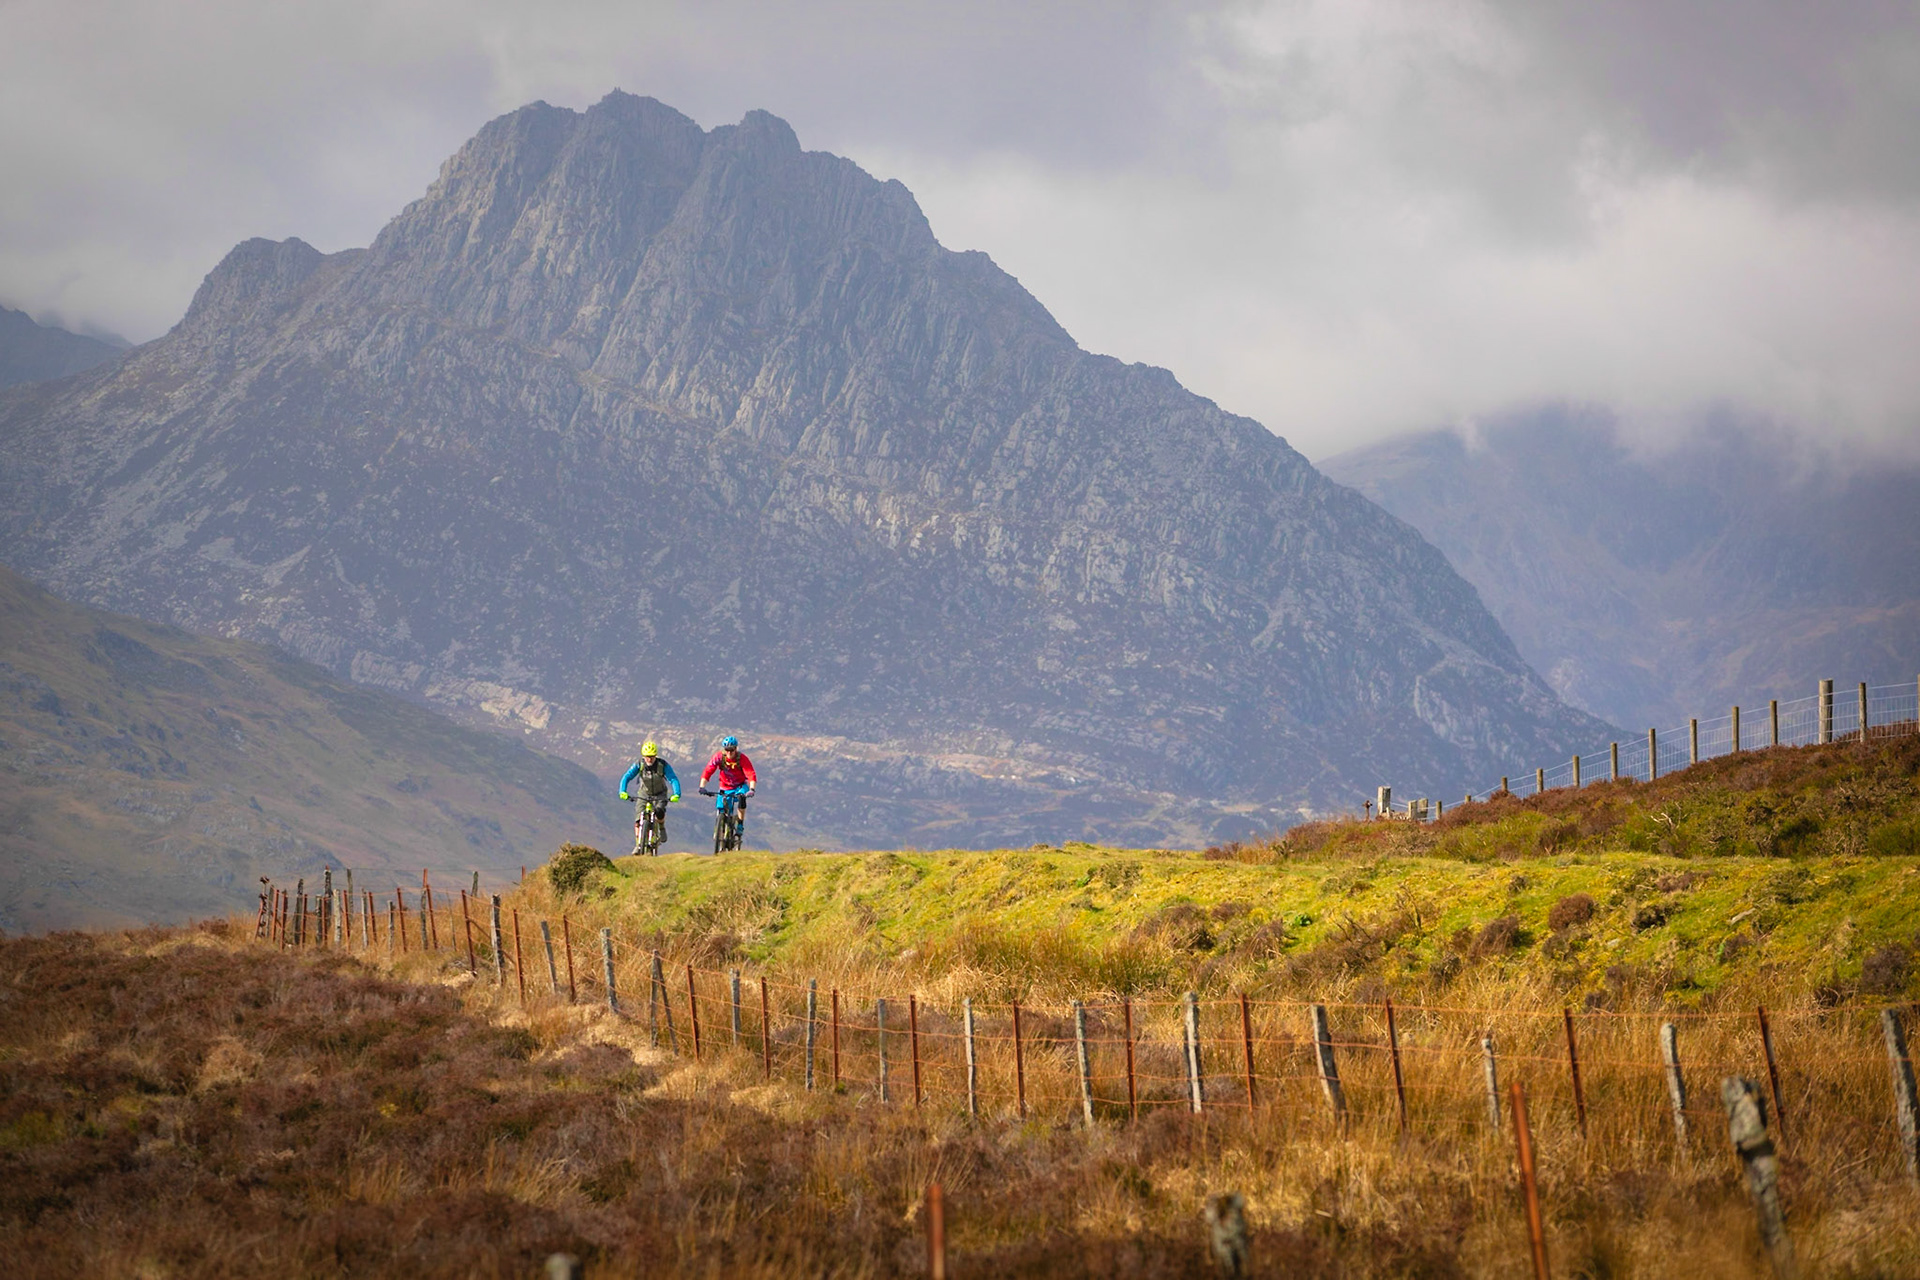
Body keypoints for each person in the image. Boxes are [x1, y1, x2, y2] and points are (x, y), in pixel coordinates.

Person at [618, 741, 681, 854]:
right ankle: (638, 845)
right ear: (643, 756)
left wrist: (677, 793)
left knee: (659, 811)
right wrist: (622, 791)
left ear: (655, 756)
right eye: (647, 756)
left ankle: (661, 827)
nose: (649, 759)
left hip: (660, 793)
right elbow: (627, 777)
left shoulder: (662, 765)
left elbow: (673, 779)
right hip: (644, 793)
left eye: (652, 757)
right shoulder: (639, 764)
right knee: (638, 819)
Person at [700, 735, 756, 811]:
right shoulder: (718, 757)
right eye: (727, 750)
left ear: (735, 749)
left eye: (731, 750)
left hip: (740, 786)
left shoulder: (742, 759)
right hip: (725, 787)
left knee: (741, 799)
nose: (729, 752)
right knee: (721, 808)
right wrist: (702, 787)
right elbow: (708, 771)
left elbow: (750, 773)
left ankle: (740, 818)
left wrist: (752, 789)